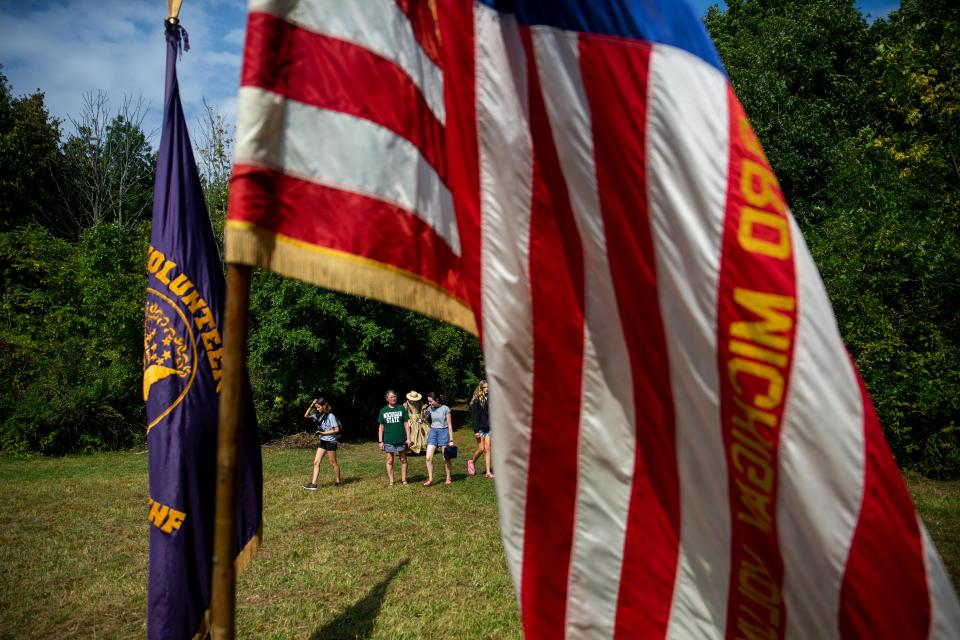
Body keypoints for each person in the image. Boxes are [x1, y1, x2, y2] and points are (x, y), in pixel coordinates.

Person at [302, 397, 341, 489]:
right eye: (316, 407)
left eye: (319, 407)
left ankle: (338, 481)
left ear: (324, 406)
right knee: (316, 462)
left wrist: (323, 433)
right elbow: (306, 415)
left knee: (333, 463)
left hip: (330, 441)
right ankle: (313, 484)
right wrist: (312, 405)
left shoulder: (330, 416)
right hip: (323, 441)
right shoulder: (316, 415)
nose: (317, 409)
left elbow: (336, 429)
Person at [377, 389, 411, 486]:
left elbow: (406, 424)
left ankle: (404, 480)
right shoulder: (383, 410)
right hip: (388, 440)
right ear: (387, 399)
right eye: (391, 397)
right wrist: (380, 441)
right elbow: (381, 427)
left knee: (403, 459)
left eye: (394, 396)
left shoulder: (401, 408)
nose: (393, 398)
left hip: (401, 439)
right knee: (389, 460)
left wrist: (408, 438)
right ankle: (392, 481)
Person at [422, 391, 455, 486]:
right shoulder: (429, 408)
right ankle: (430, 479)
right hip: (433, 432)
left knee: (446, 458)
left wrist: (451, 439)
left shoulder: (445, 409)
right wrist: (423, 410)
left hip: (443, 432)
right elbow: (423, 420)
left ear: (437, 400)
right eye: (428, 401)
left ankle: (448, 477)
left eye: (431, 401)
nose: (429, 403)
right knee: (428, 457)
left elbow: (449, 424)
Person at [468, 380, 493, 478]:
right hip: (480, 429)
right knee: (481, 448)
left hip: (489, 428)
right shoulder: (476, 400)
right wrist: (476, 430)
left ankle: (488, 472)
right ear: (481, 388)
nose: (487, 389)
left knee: (488, 449)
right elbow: (474, 417)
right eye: (485, 387)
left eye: (488, 387)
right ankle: (471, 461)